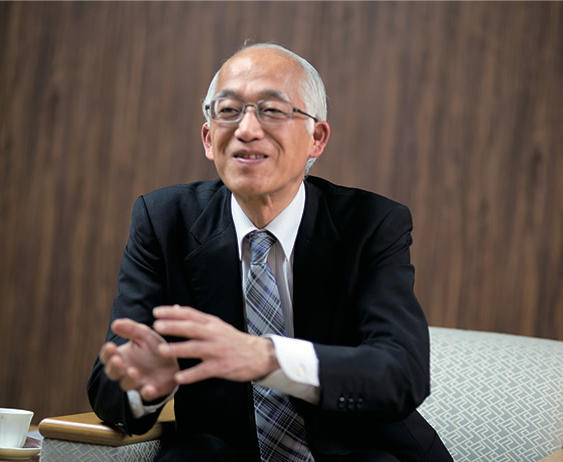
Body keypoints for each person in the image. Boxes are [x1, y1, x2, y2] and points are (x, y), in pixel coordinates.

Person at [87, 43, 452, 461]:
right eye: (228, 110)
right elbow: (107, 388)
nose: (246, 129)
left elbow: (401, 374)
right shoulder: (164, 221)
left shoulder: (370, 225)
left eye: (272, 110)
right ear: (208, 139)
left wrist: (268, 358)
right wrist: (145, 388)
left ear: (317, 138)